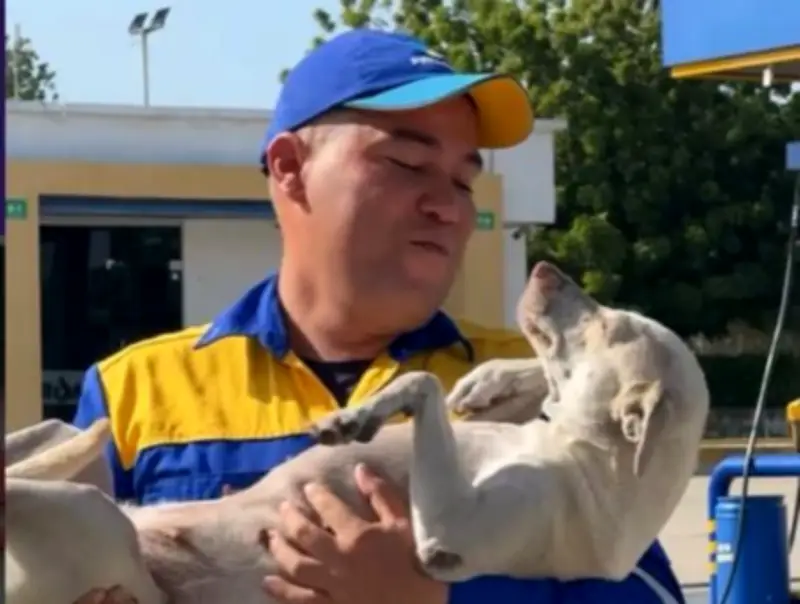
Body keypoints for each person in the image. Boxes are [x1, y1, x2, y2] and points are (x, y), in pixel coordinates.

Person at [73, 28, 684, 604]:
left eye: (463, 181)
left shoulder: (537, 392)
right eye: (409, 165)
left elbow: (645, 588)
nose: (448, 206)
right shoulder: (131, 394)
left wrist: (445, 595)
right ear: (289, 168)